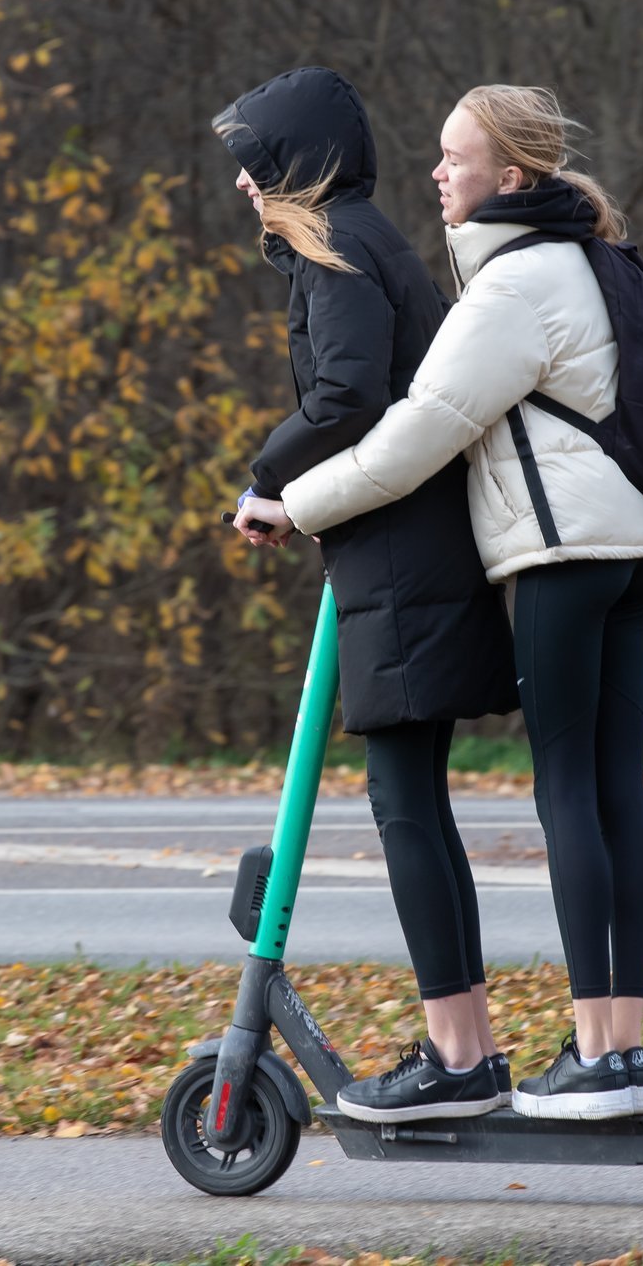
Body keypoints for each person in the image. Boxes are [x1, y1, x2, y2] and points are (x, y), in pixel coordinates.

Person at [237, 85, 643, 1122]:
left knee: (564, 785)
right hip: (627, 538)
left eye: (456, 158)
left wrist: (287, 496)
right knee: (607, 785)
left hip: (552, 549)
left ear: (509, 179)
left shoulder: (509, 284)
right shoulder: (590, 259)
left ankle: (582, 1057)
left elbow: (411, 421)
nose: (435, 173)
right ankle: (613, 1044)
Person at [213, 67, 519, 1123]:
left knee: (404, 806)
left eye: (257, 162)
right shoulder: (354, 238)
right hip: (402, 550)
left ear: (296, 165)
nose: (245, 184)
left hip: (401, 559)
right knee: (411, 805)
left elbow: (345, 392)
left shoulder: (334, 246)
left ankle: (458, 1059)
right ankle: (464, 1048)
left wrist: (265, 481)